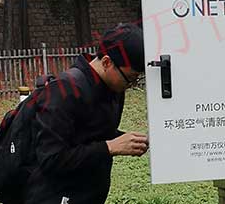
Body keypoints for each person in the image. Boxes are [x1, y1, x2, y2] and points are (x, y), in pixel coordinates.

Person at [23, 23, 149, 204]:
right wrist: (110, 147)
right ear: (106, 62)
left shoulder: (112, 89)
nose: (131, 85)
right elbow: (51, 158)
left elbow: (91, 134)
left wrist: (128, 140)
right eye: (130, 78)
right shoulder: (64, 91)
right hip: (52, 196)